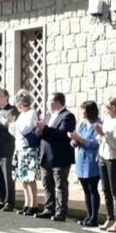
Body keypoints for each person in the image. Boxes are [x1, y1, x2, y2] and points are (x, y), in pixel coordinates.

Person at [34, 92, 77, 221]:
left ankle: (61, 211)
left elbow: (63, 134)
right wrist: (39, 129)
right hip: (45, 155)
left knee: (60, 185)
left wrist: (45, 128)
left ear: (58, 102)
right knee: (47, 183)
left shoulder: (67, 116)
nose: (48, 103)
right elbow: (39, 133)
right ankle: (49, 208)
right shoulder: (47, 116)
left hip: (59, 156)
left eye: (50, 101)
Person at [97, 97, 116, 232]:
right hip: (103, 155)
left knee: (114, 188)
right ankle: (110, 217)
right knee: (105, 188)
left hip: (113, 157)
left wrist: (104, 135)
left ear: (114, 107)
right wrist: (101, 135)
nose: (105, 108)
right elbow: (102, 139)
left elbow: (115, 144)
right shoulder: (106, 120)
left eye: (107, 106)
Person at [72, 101, 102, 227]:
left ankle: (94, 217)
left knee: (92, 188)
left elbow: (95, 143)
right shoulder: (82, 125)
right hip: (81, 158)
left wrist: (80, 139)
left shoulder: (98, 125)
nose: (82, 112)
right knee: (85, 190)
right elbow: (76, 141)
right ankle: (88, 215)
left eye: (84, 110)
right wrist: (74, 141)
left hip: (91, 160)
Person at [11, 90, 41, 215]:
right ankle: (27, 202)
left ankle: (34, 204)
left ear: (23, 102)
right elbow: (14, 131)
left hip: (28, 148)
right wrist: (12, 124)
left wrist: (15, 124)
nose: (17, 105)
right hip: (20, 148)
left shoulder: (31, 113)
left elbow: (25, 129)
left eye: (18, 102)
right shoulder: (21, 115)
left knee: (30, 177)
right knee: (23, 178)